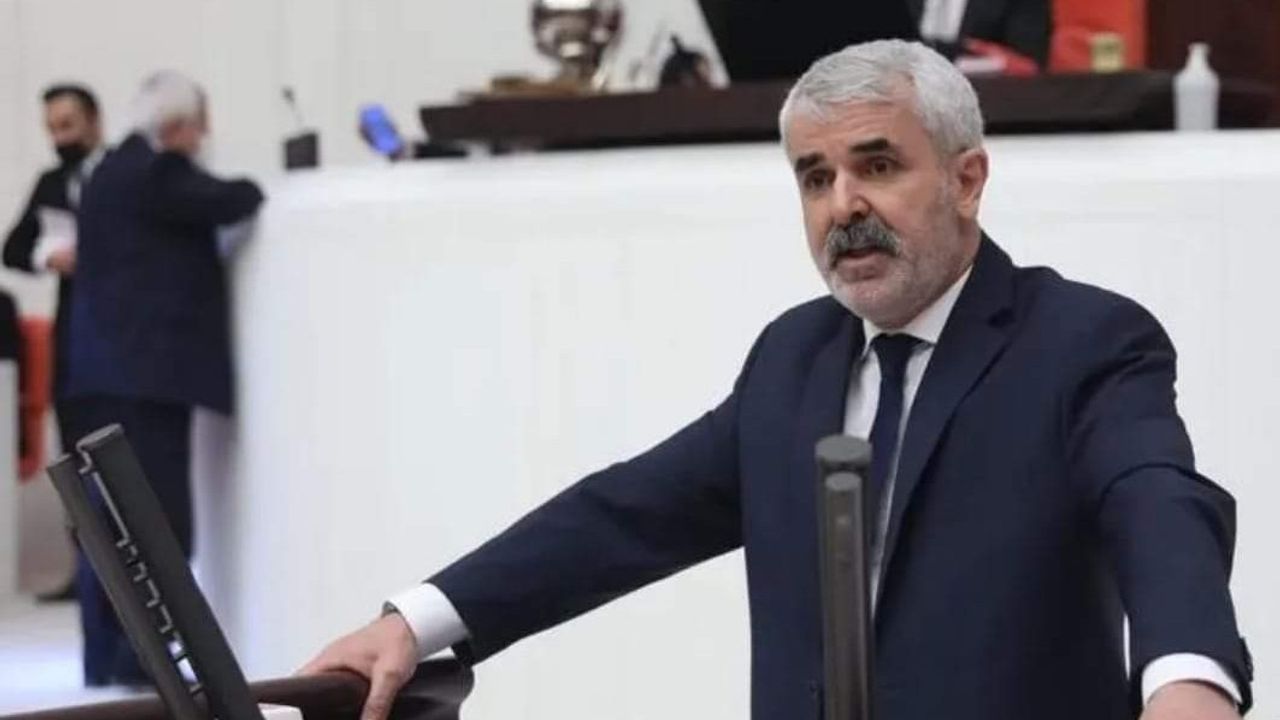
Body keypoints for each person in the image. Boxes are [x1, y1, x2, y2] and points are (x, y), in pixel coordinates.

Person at [305, 41, 1250, 720]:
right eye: (815, 177)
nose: (845, 205)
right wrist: (417, 621)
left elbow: (1159, 505)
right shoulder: (792, 360)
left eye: (877, 165)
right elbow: (623, 516)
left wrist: (1187, 678)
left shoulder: (1083, 342)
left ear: (967, 180)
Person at [66, 70, 264, 687]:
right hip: (145, 377)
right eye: (199, 126)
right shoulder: (157, 173)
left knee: (109, 518)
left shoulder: (108, 170)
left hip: (100, 371)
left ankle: (107, 660)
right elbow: (237, 197)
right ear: (178, 126)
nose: (203, 139)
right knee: (156, 523)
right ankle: (143, 662)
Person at [2, 83, 107, 603]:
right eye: (52, 128)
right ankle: (86, 571)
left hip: (118, 334)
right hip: (73, 340)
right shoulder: (51, 183)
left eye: (68, 125)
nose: (59, 137)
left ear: (93, 122)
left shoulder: (120, 175)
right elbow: (13, 249)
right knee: (75, 456)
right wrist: (49, 257)